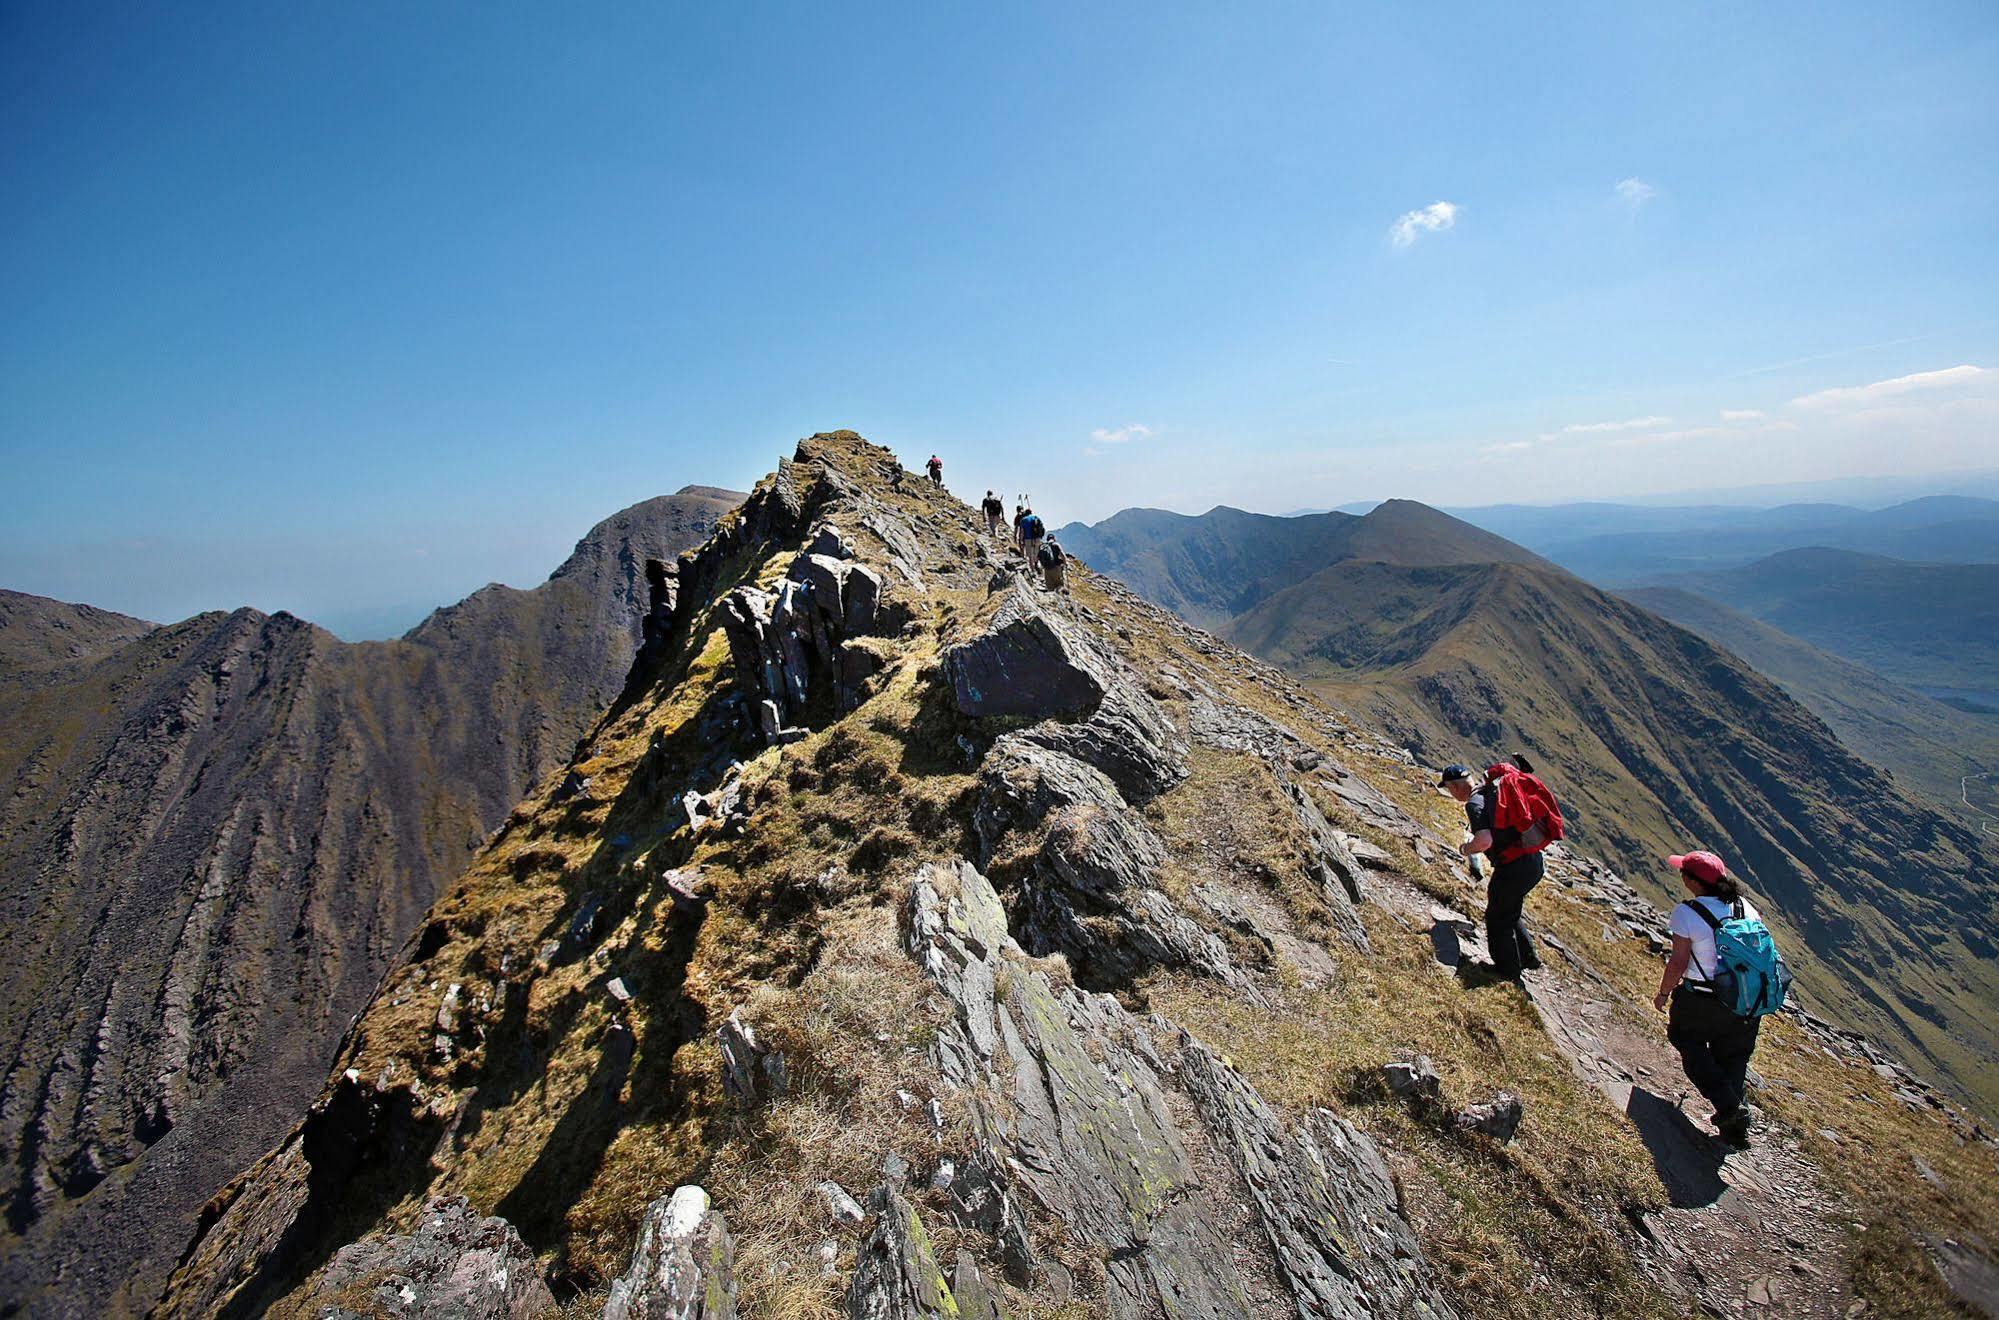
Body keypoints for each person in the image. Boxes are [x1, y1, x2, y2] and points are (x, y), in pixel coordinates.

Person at [1653, 851, 1763, 1148]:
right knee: (1734, 1058)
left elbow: (1678, 962)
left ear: (1693, 881)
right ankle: (1735, 1131)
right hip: (1747, 1002)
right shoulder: (1746, 907)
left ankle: (1730, 1109)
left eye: (1683, 873)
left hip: (1703, 999)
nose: (1681, 878)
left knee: (1685, 1039)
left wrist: (1664, 993)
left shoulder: (1687, 913)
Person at [1438, 763, 1545, 982]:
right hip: (1533, 861)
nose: (1450, 793)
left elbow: (1484, 841)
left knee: (1497, 918)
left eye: (1449, 788)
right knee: (1509, 908)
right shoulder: (1492, 791)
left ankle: (1507, 971)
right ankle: (1528, 957)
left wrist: (1466, 849)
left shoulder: (1474, 804)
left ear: (1455, 787)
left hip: (1513, 868)